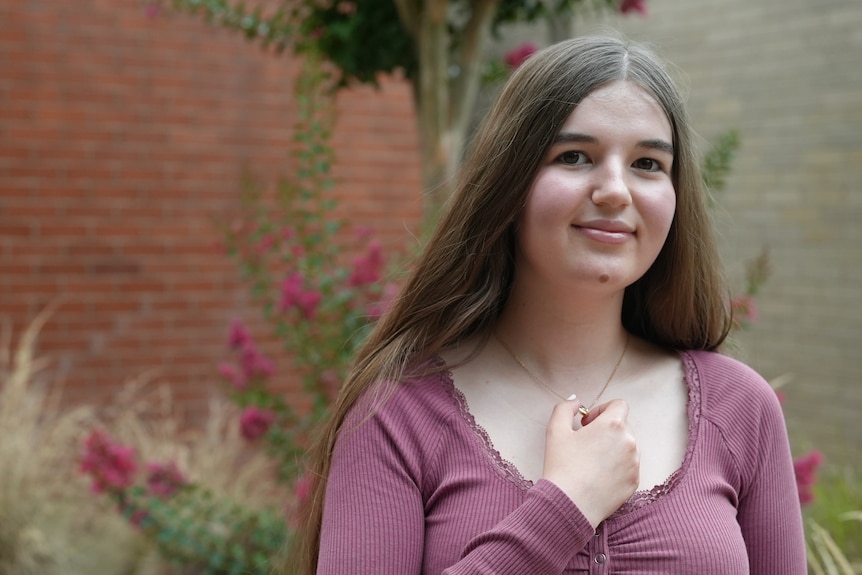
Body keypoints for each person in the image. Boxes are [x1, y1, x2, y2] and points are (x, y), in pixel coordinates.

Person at [291, 34, 806, 574]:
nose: (615, 190)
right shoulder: (398, 414)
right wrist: (566, 507)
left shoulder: (741, 409)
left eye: (649, 164)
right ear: (508, 185)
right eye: (575, 156)